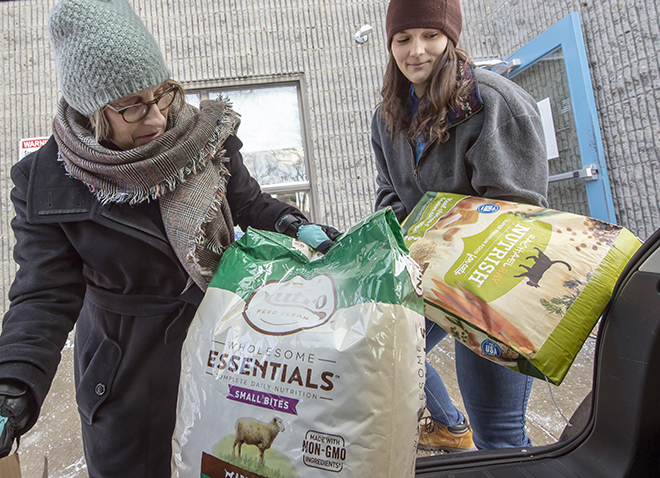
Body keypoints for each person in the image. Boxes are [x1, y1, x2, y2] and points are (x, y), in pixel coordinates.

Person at [0, 0, 339, 475]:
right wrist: (13, 385)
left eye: (162, 95)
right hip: (128, 377)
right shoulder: (48, 183)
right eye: (133, 106)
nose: (157, 119)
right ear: (92, 110)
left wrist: (294, 224)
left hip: (221, 352)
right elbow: (44, 294)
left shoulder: (203, 137)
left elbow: (249, 204)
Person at [372, 0, 549, 451]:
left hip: (493, 286)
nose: (416, 51)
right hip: (426, 273)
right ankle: (450, 427)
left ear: (451, 37)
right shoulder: (388, 116)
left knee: (498, 432)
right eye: (403, 38)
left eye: (430, 35)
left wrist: (443, 237)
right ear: (390, 45)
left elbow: (518, 212)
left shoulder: (493, 102)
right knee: (380, 351)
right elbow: (390, 194)